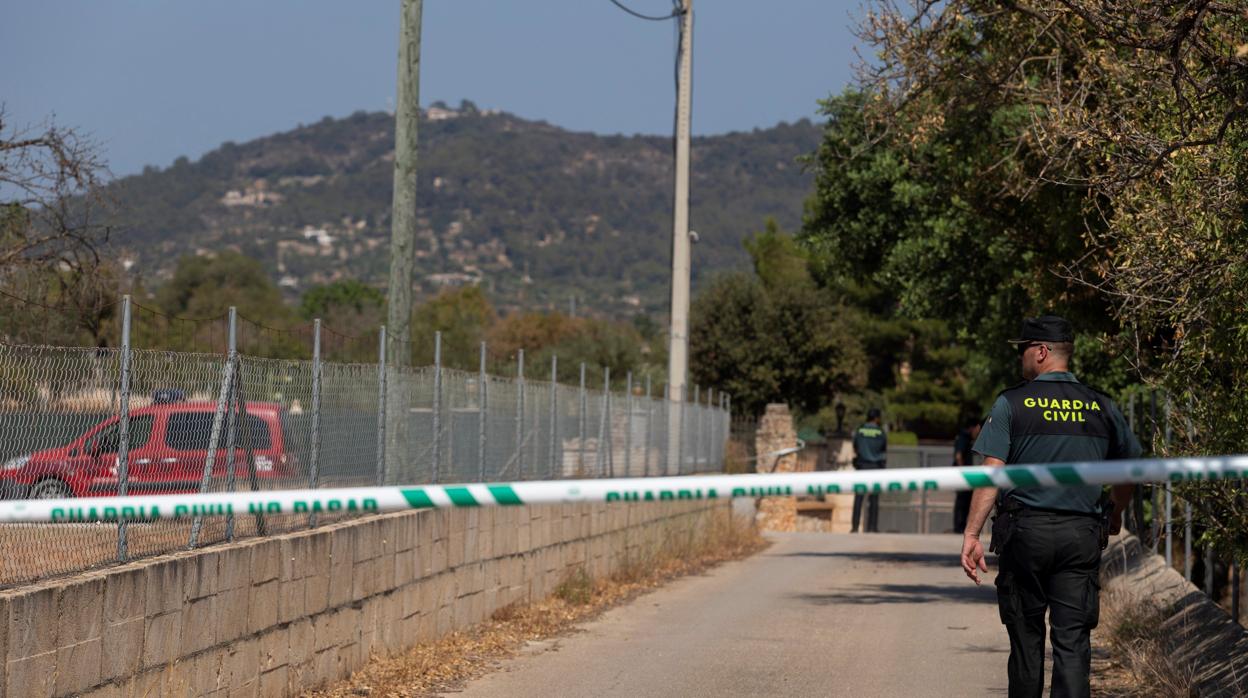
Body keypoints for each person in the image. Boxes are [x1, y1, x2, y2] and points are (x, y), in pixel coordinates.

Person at [960, 316, 1140, 698]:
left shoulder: (1011, 403)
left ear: (1041, 352)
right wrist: (1116, 511)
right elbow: (1131, 470)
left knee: (1026, 642)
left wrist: (972, 533)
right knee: (1073, 644)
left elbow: (992, 474)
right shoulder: (1102, 405)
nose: (1020, 358)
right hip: (1081, 537)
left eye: (1023, 349)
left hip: (1026, 536)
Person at [851, 407, 887, 533]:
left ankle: (855, 527)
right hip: (876, 468)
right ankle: (873, 527)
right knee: (874, 499)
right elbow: (883, 449)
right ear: (877, 418)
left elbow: (855, 447)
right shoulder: (880, 432)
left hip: (862, 467)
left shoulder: (860, 430)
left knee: (859, 498)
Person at [952, 416, 983, 533]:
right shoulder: (964, 437)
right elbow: (958, 456)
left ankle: (962, 526)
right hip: (962, 476)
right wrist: (963, 472)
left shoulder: (965, 437)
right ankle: (959, 527)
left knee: (966, 501)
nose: (979, 432)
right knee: (962, 502)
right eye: (978, 429)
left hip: (965, 475)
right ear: (973, 428)